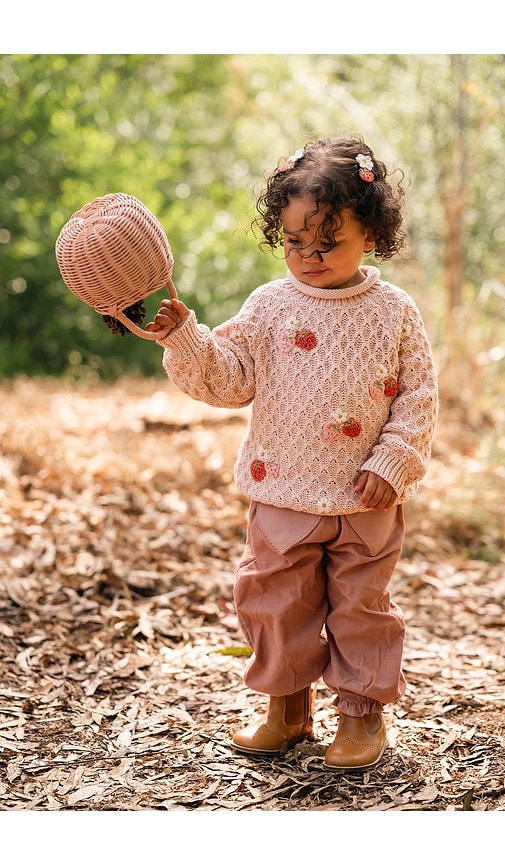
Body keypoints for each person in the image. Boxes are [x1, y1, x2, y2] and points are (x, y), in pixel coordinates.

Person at [146, 136, 439, 771]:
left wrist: (393, 461)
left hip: (366, 497)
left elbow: (418, 396)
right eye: (294, 242)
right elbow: (228, 379)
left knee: (361, 606)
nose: (308, 257)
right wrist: (186, 339)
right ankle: (287, 709)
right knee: (275, 601)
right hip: (280, 489)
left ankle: (362, 717)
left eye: (327, 242)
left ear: (373, 233)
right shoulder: (269, 305)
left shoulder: (393, 312)